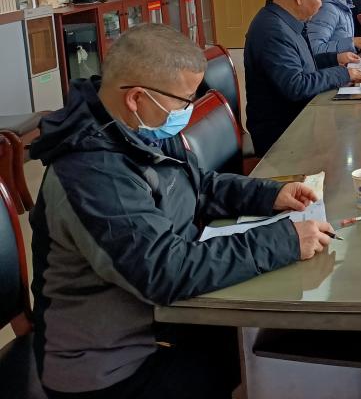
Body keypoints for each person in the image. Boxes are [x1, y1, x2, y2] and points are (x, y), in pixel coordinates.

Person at [29, 24, 336, 399]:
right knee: (274, 364)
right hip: (107, 365)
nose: (188, 112)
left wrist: (270, 195)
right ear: (136, 98)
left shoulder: (139, 128)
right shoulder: (92, 172)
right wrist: (283, 240)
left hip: (165, 320)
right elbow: (164, 270)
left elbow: (198, 184)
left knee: (278, 342)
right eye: (184, 101)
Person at [244, 0, 361, 155]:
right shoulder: (273, 31)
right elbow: (296, 85)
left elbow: (305, 63)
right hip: (283, 134)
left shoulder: (286, 21)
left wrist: (336, 58)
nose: (322, 4)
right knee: (352, 141)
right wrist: (343, 74)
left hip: (302, 117)